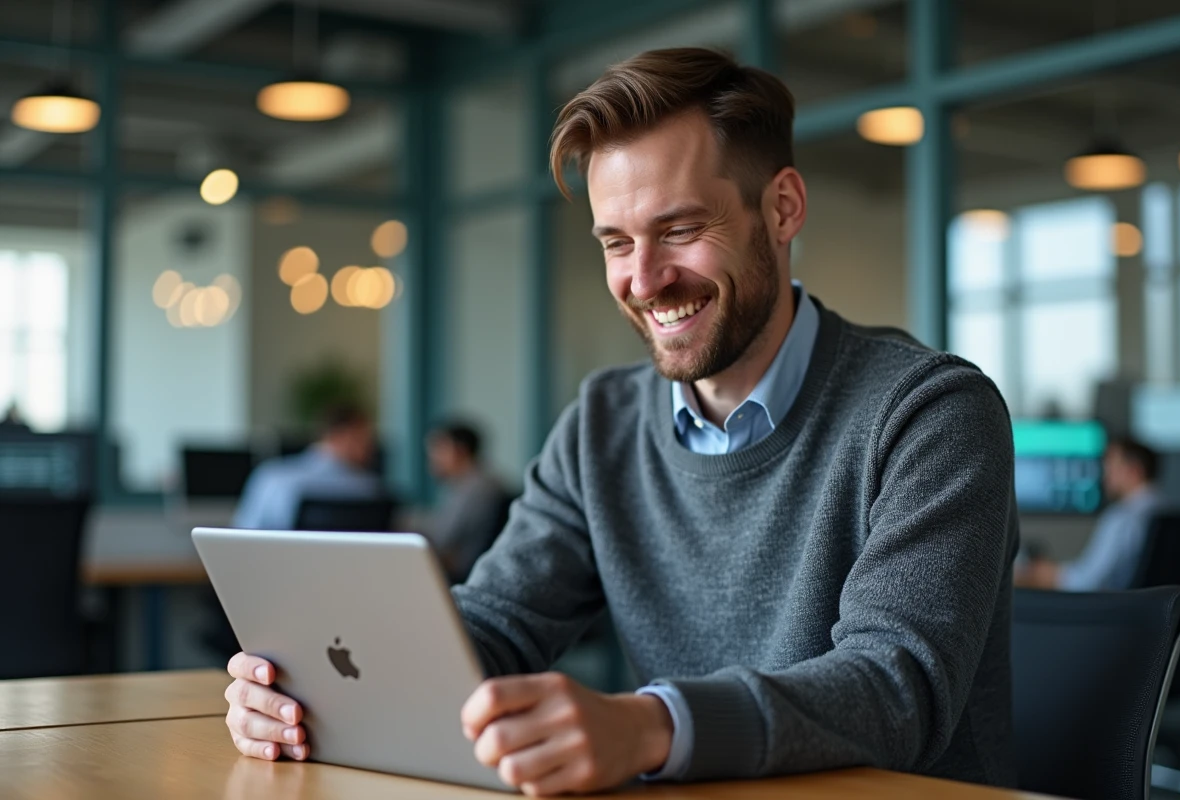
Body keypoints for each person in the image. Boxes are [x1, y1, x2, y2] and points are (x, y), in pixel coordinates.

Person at [222, 48, 1019, 794]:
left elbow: (896, 686)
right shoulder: (602, 420)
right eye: (616, 242)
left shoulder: (931, 413)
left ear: (781, 208)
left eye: (680, 230)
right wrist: (316, 693)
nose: (644, 280)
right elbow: (500, 620)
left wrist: (649, 727)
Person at [1017, 436, 1161, 591]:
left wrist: (1047, 574)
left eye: (1110, 465)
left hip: (1111, 608)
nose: (1105, 474)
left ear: (1134, 470)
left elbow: (1086, 582)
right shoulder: (1167, 512)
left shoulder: (1123, 518)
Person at [233, 403, 383, 530]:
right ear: (342, 435)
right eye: (364, 438)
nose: (370, 447)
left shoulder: (270, 476)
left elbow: (243, 534)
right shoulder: (368, 487)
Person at [423, 421, 513, 584]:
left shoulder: (476, 488)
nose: (433, 457)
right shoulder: (478, 482)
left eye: (439, 449)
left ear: (460, 450)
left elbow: (443, 538)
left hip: (463, 574)